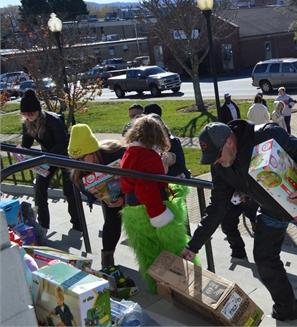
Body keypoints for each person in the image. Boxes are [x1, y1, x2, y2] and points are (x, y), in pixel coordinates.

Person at [182, 121, 297, 325]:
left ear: (229, 142)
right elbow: (216, 207)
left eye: (217, 155)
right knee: (263, 257)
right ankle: (287, 308)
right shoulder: (221, 167)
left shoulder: (266, 134)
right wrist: (193, 245)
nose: (216, 162)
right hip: (271, 208)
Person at [120, 114, 197, 293]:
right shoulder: (149, 156)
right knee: (175, 247)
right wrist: (159, 214)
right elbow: (145, 187)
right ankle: (185, 285)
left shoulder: (129, 152)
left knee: (148, 253)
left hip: (132, 211)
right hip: (151, 211)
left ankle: (157, 287)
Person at [19, 89, 82, 232]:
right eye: (25, 114)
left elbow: (63, 142)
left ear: (38, 111)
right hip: (46, 157)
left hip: (63, 156)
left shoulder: (53, 120)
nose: (29, 116)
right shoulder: (27, 123)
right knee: (39, 186)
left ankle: (77, 224)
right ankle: (43, 224)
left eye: (31, 113)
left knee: (69, 190)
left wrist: (47, 158)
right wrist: (22, 153)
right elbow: (26, 143)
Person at [68, 124, 126, 269]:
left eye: (81, 159)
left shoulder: (116, 153)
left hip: (132, 194)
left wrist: (124, 198)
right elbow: (83, 187)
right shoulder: (79, 170)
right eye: (74, 160)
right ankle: (107, 257)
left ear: (92, 151)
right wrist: (100, 195)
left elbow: (137, 179)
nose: (78, 164)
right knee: (112, 220)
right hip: (112, 198)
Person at [143, 103, 190, 179]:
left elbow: (180, 167)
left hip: (175, 181)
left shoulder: (173, 141)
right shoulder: (144, 143)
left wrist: (159, 172)